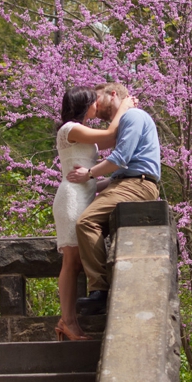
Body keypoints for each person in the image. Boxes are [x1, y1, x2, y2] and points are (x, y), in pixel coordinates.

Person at [66, 82, 161, 315]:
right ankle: (102, 285)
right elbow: (122, 170)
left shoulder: (133, 116)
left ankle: (100, 291)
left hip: (137, 185)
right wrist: (94, 185)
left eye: (98, 99)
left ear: (113, 94)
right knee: (89, 221)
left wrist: (88, 174)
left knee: (86, 222)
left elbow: (120, 158)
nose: (95, 107)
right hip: (129, 182)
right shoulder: (126, 121)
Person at [53, 86, 135, 341]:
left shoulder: (81, 132)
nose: (97, 106)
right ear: (83, 105)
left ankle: (67, 321)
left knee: (75, 261)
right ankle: (68, 323)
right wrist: (124, 105)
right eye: (93, 102)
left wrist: (112, 180)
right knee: (71, 261)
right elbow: (112, 134)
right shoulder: (70, 129)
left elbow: (110, 141)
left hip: (83, 194)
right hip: (71, 198)